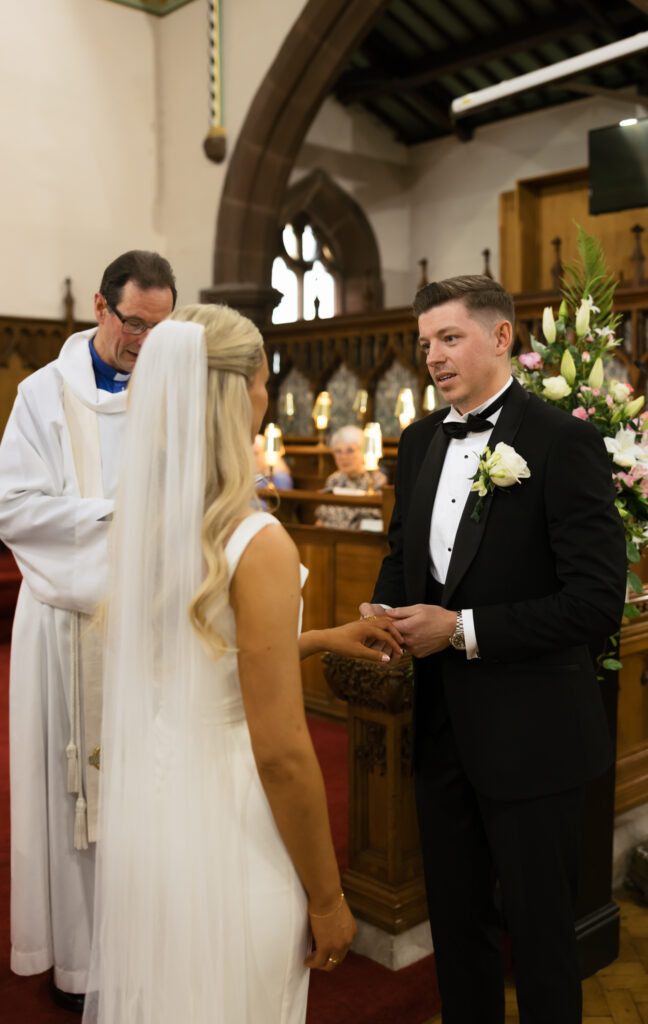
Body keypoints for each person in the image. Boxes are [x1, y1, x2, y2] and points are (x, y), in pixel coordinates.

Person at [84, 305, 402, 1024]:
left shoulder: (149, 517)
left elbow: (209, 663)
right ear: (243, 393)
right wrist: (327, 897)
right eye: (264, 378)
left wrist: (317, 638)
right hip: (229, 815)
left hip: (157, 807)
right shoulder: (257, 542)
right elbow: (283, 752)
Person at [360, 275, 627, 1024]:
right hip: (443, 727)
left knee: (541, 939)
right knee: (456, 925)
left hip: (533, 735)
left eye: (449, 338)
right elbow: (404, 551)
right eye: (423, 344)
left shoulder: (561, 440)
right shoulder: (417, 441)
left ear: (501, 337)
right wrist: (382, 605)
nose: (432, 358)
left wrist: (464, 630)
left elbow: (595, 602)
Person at [0, 250, 176, 1009]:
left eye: (161, 327)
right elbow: (13, 509)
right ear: (101, 309)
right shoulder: (42, 395)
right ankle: (76, 962)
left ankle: (142, 951)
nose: (144, 341)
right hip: (61, 626)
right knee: (64, 793)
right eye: (134, 323)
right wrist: (122, 526)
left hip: (147, 629)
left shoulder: (171, 393)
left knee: (148, 792)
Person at [315, 424, 387, 529]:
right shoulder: (333, 479)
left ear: (362, 451)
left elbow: (372, 517)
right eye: (338, 451)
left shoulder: (376, 480)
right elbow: (322, 514)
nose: (343, 457)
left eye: (350, 451)